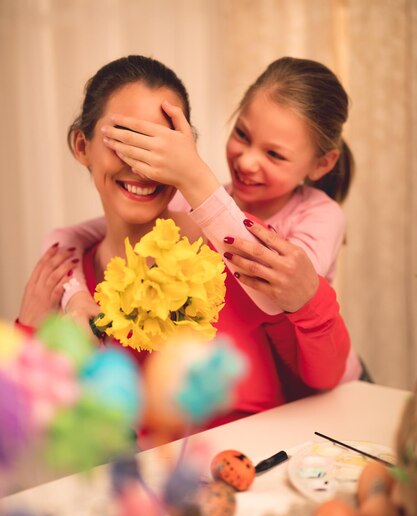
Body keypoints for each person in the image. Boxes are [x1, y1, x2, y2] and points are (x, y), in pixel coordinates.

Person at [17, 55, 351, 434]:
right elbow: (30, 436)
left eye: (158, 147)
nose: (141, 164)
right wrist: (40, 321)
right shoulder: (63, 278)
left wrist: (194, 177)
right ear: (82, 146)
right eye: (124, 140)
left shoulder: (239, 256)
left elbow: (317, 366)